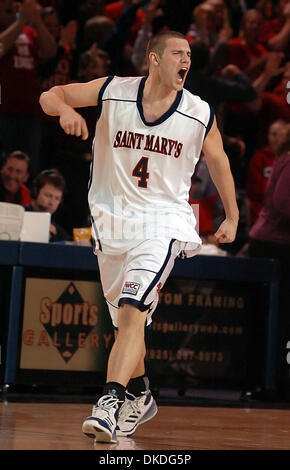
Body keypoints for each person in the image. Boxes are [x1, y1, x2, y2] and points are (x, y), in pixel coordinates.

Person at [39, 30, 239, 443]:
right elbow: (51, 94)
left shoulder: (198, 112)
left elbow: (217, 159)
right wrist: (63, 111)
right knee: (128, 323)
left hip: (162, 225)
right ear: (153, 58)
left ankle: (109, 402)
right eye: (177, 53)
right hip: (112, 224)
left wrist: (232, 215)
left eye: (189, 55)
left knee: (132, 310)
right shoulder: (114, 91)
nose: (186, 60)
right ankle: (141, 392)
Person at [25, 168, 72, 242]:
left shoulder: (57, 232)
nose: (52, 202)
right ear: (35, 192)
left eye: (57, 198)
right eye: (48, 195)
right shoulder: (19, 216)